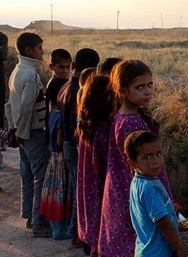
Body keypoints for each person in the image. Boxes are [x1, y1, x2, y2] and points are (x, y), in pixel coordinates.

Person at [99, 59, 175, 257]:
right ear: (123, 91)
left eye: (150, 85)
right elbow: (148, 165)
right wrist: (166, 197)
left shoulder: (123, 114)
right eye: (140, 87)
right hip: (133, 189)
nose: (148, 91)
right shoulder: (131, 123)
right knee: (145, 240)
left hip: (122, 188)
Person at [5, 32, 51, 237]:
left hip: (22, 131)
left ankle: (29, 216)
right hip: (31, 132)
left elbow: (9, 105)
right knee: (40, 175)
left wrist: (13, 129)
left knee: (27, 175)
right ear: (28, 51)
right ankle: (39, 222)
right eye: (39, 48)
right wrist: (21, 133)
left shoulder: (17, 70)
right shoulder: (30, 75)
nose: (42, 52)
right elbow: (25, 108)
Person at [57, 48, 100, 248]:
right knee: (80, 190)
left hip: (67, 143)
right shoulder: (78, 91)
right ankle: (76, 234)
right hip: (75, 145)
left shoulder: (65, 87)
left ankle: (76, 232)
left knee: (77, 188)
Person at [125, 131, 186, 257]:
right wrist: (179, 247)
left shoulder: (140, 181)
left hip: (145, 250)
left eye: (158, 154)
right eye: (147, 157)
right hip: (159, 253)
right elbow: (162, 222)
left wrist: (171, 212)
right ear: (132, 163)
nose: (156, 161)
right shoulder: (149, 188)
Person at [76, 75, 116, 256]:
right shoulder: (104, 130)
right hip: (100, 190)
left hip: (88, 188)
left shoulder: (87, 125)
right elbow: (104, 166)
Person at [39, 77, 71, 240]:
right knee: (62, 194)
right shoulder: (60, 116)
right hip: (60, 158)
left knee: (52, 194)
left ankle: (55, 229)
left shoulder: (51, 113)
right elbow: (59, 140)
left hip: (52, 159)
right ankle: (61, 231)